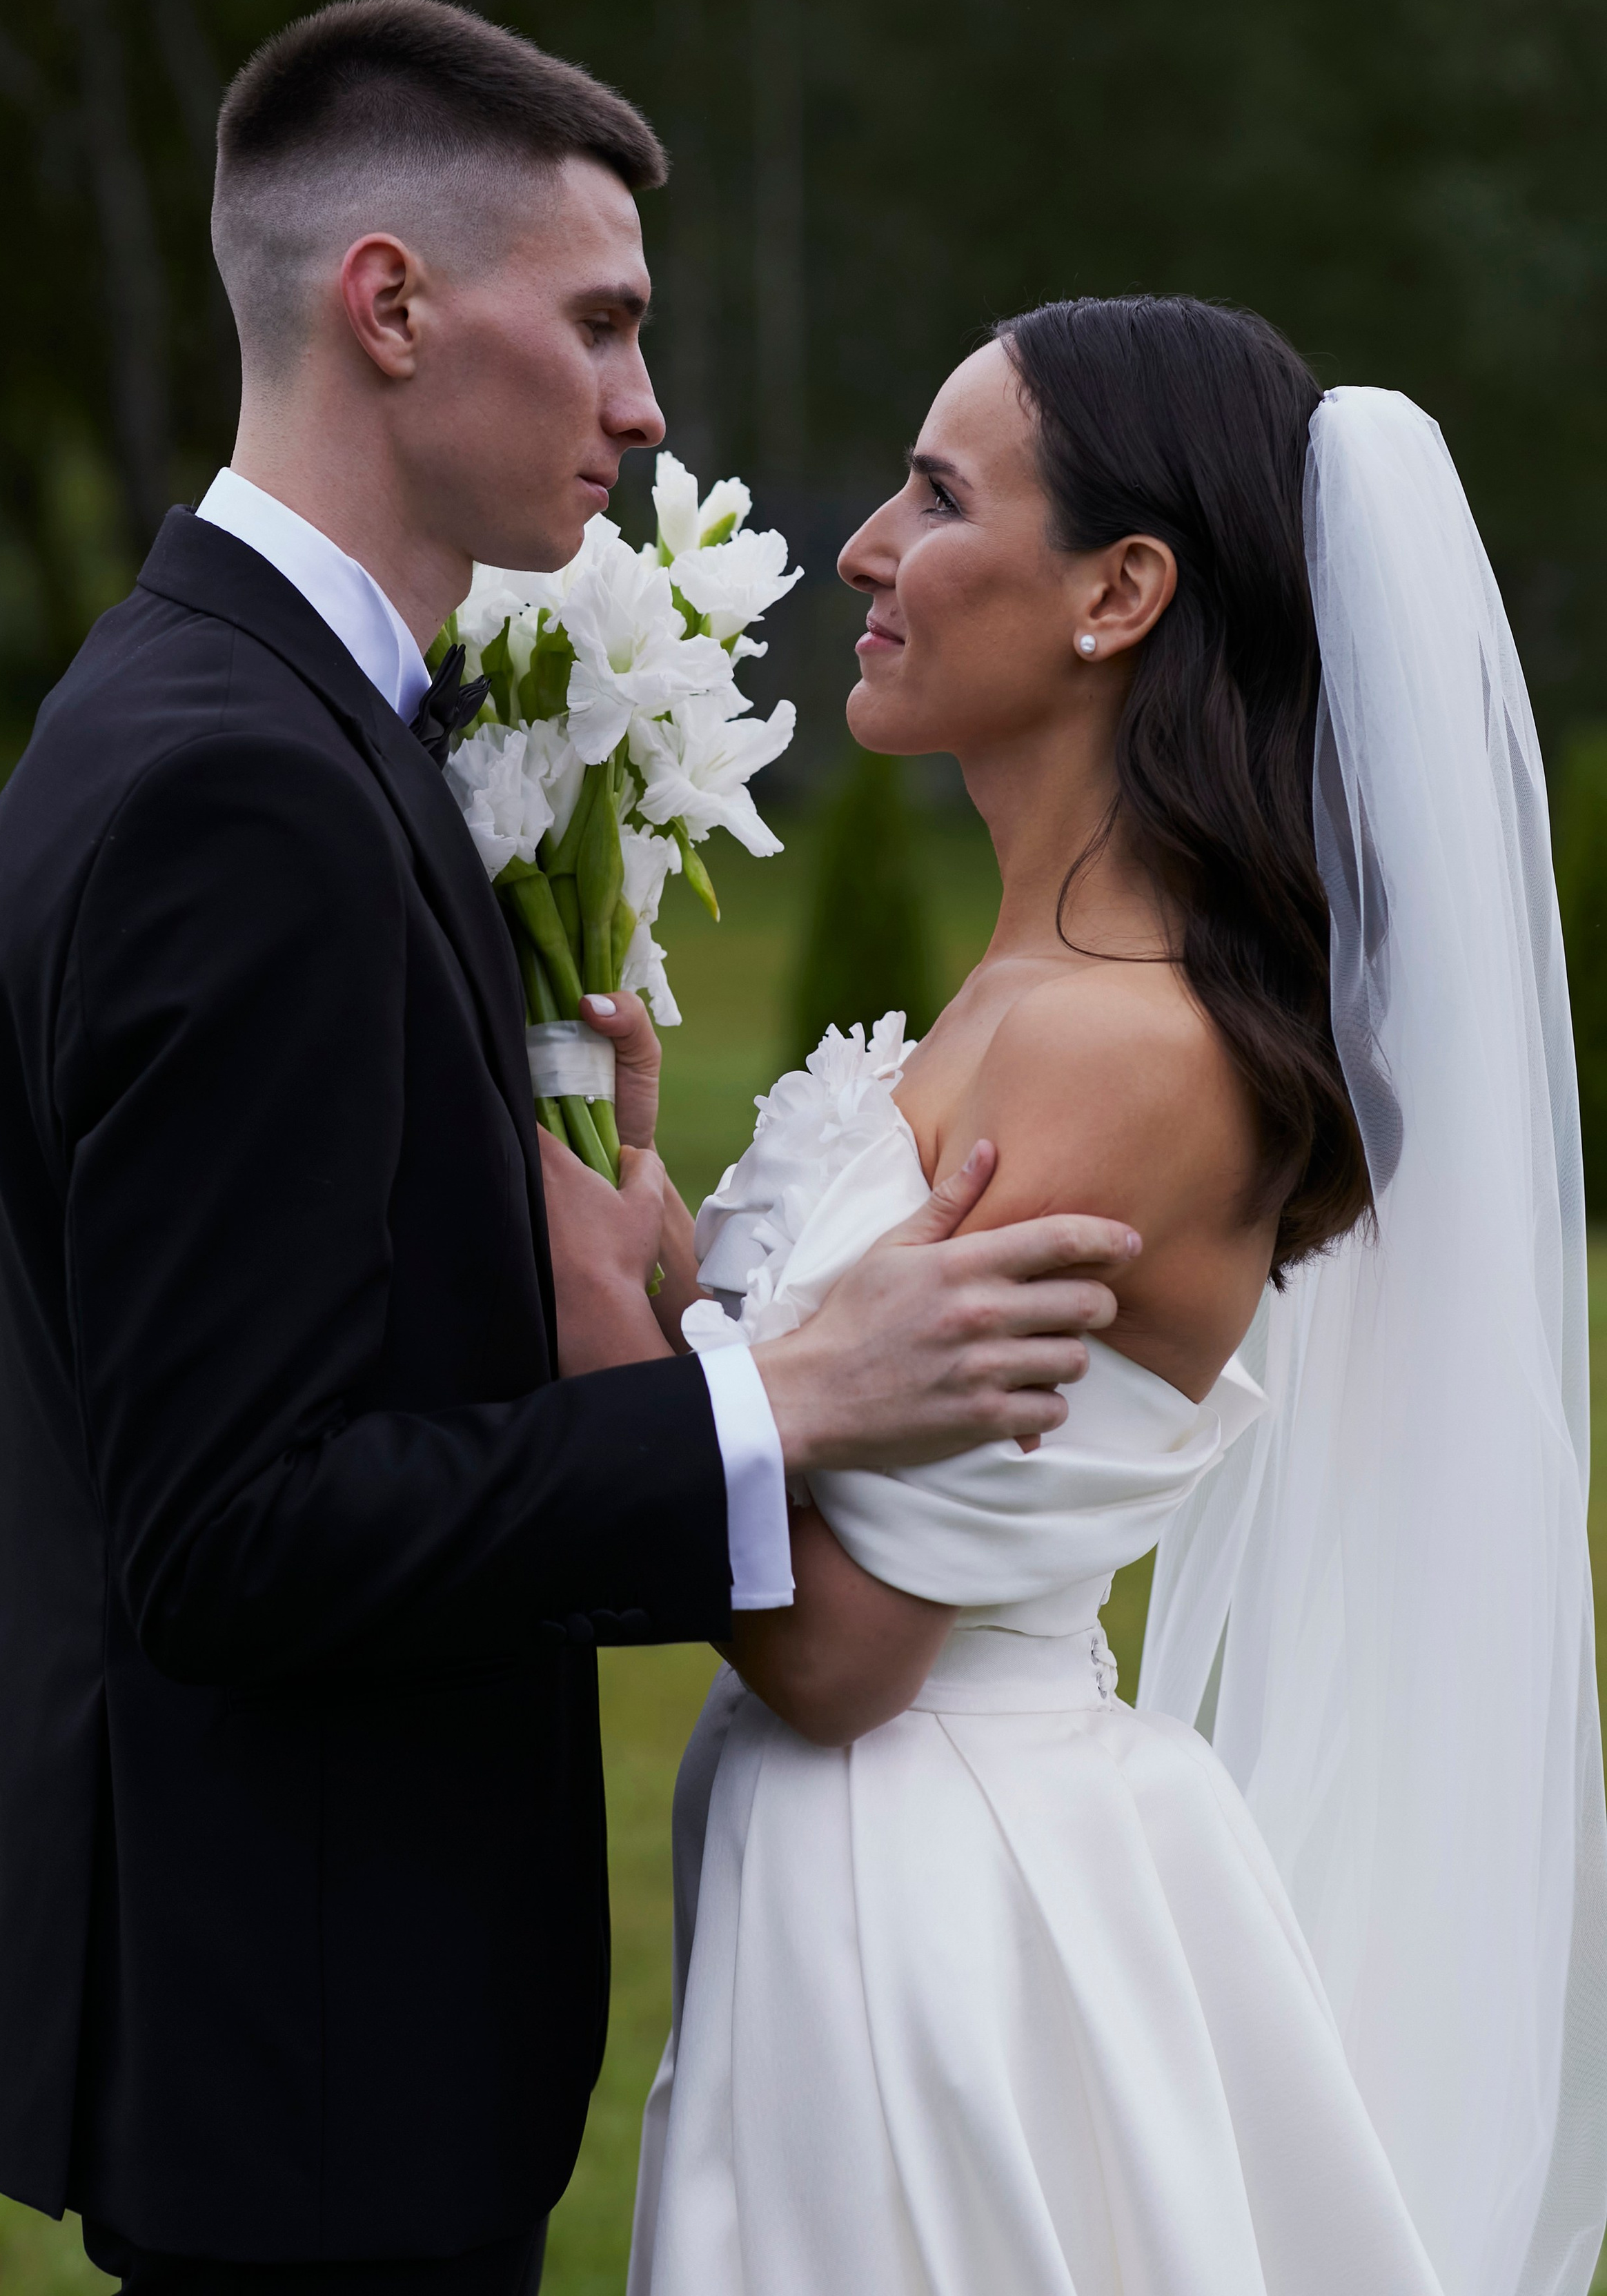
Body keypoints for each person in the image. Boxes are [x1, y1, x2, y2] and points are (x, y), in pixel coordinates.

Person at [0, 0, 1140, 2296]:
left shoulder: (256, 704)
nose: (646, 403)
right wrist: (775, 1398)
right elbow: (233, 1533)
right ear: (391, 304)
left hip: (286, 2019)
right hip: (302, 2062)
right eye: (599, 323)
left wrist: (602, 1268)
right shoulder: (239, 789)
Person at [612, 300, 1607, 2295]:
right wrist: (654, 1238)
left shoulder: (1119, 1054)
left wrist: (611, 1329)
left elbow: (843, 1653)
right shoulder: (1026, 1000)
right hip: (860, 1866)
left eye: (936, 492)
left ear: (1120, 591)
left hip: (929, 1917)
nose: (866, 551)